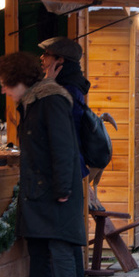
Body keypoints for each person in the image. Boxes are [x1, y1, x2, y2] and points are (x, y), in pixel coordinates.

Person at [0, 51, 84, 277]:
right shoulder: (31, 102)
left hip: (55, 187)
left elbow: (63, 147)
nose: (3, 89)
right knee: (38, 247)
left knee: (60, 246)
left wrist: (63, 188)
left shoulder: (50, 100)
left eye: (6, 83)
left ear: (20, 80)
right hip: (37, 187)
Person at [38, 36, 91, 177]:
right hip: (64, 167)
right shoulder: (65, 86)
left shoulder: (67, 90)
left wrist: (46, 83)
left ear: (60, 60)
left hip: (63, 169)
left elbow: (45, 122)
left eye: (47, 54)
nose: (41, 57)